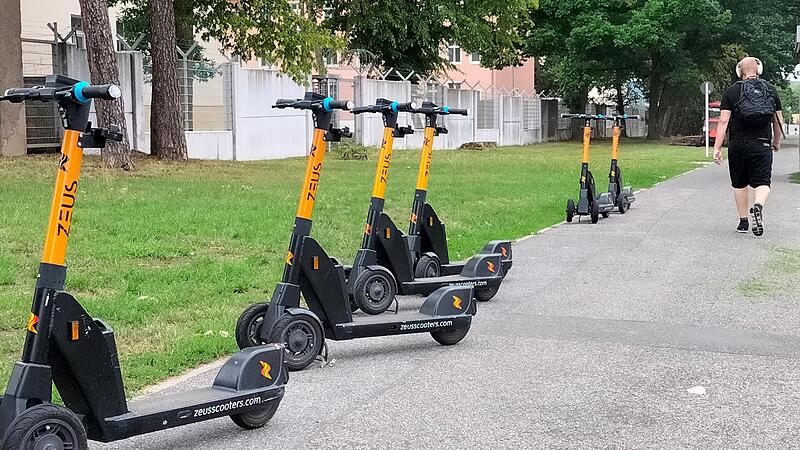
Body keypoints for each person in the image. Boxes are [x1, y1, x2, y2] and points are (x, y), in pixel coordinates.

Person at [714, 56, 783, 236]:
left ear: (740, 71)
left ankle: (743, 222)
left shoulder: (731, 91)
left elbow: (723, 122)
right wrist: (776, 142)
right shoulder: (770, 89)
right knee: (763, 182)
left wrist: (717, 148)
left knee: (739, 183)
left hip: (737, 145)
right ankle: (758, 205)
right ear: (758, 70)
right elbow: (778, 121)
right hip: (762, 143)